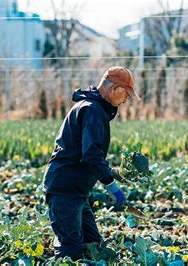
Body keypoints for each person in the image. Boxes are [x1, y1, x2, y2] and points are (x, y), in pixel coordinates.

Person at [43, 66, 140, 260]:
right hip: (65, 190)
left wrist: (113, 172)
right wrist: (113, 188)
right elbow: (91, 156)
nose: (125, 101)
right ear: (115, 90)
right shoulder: (92, 110)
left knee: (93, 246)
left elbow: (87, 154)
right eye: (126, 96)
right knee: (70, 251)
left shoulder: (93, 108)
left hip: (76, 192)